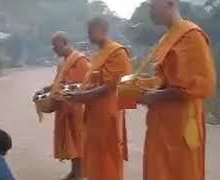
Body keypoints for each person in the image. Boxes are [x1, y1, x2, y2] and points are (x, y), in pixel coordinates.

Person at [138, 0, 217, 180]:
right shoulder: (167, 38)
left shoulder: (191, 36)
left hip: (181, 126)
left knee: (180, 172)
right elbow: (167, 80)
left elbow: (201, 85)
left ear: (170, 3)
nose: (150, 10)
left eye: (152, 5)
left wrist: (154, 96)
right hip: (161, 124)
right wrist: (142, 86)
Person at [65, 17, 132, 180]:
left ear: (102, 29)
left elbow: (111, 86)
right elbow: (94, 82)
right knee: (95, 156)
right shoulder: (98, 55)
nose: (88, 35)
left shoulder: (117, 52)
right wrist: (79, 89)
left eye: (91, 31)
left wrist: (82, 96)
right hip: (94, 115)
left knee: (108, 155)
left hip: (108, 114)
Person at [47, 31, 91, 180]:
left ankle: (80, 175)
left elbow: (84, 85)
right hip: (65, 107)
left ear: (65, 43)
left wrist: (60, 90)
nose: (54, 50)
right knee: (71, 143)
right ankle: (74, 172)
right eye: (53, 47)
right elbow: (59, 83)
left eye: (56, 46)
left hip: (77, 109)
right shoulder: (63, 63)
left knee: (78, 142)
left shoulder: (81, 61)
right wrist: (48, 89)